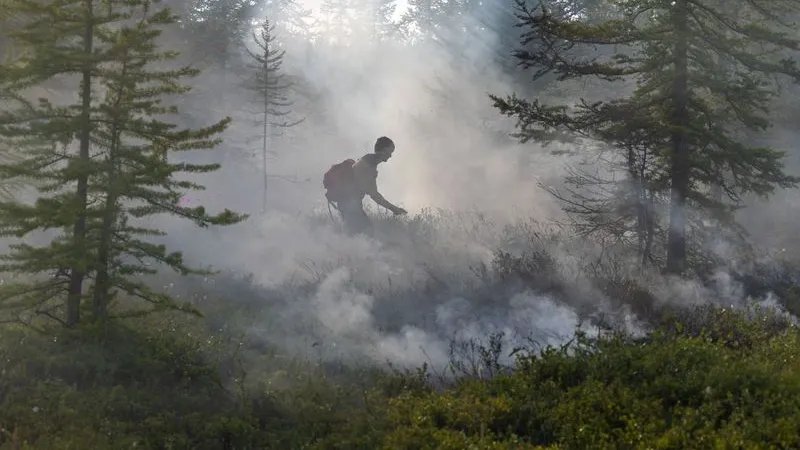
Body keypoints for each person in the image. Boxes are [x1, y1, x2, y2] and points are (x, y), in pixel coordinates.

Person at [333, 136, 407, 235]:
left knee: (359, 235)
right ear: (384, 151)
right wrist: (395, 209)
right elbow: (375, 196)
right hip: (349, 205)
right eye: (390, 152)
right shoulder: (369, 167)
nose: (390, 156)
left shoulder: (367, 160)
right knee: (367, 234)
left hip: (349, 204)